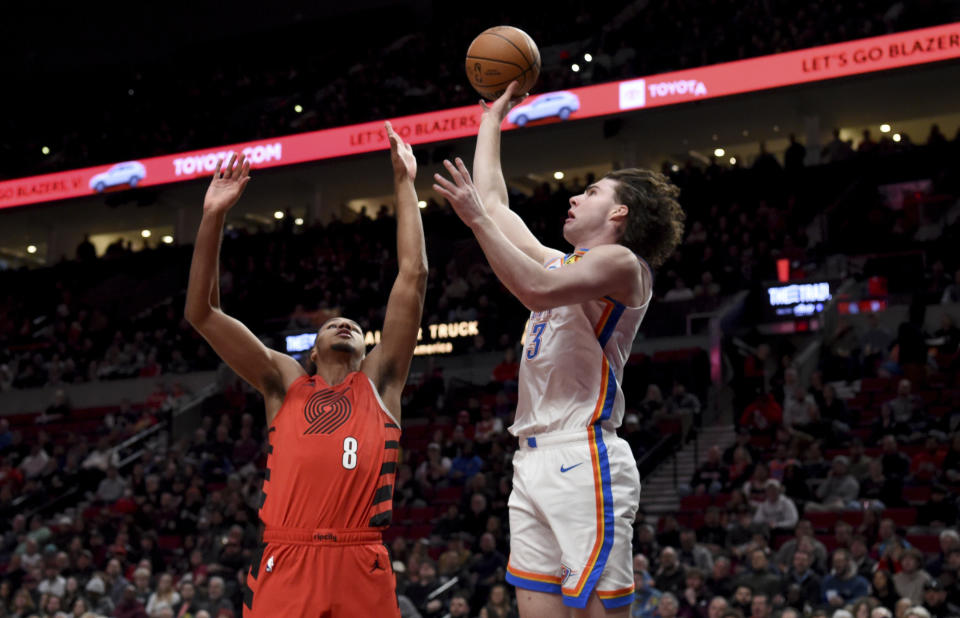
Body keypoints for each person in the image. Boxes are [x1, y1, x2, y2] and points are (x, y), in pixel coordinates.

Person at [432, 81, 685, 617]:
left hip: (583, 453)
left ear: (619, 215)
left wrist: (475, 219)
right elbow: (496, 203)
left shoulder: (623, 265)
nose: (574, 196)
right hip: (531, 460)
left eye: (591, 192)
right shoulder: (563, 264)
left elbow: (532, 287)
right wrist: (491, 119)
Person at [184, 123, 427, 618]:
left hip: (362, 559)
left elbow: (413, 275)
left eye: (353, 324)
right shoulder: (286, 382)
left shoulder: (382, 382)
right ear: (311, 353)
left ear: (367, 347)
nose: (343, 323)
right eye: (332, 323)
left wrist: (405, 183)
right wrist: (212, 216)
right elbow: (202, 313)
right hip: (287, 557)